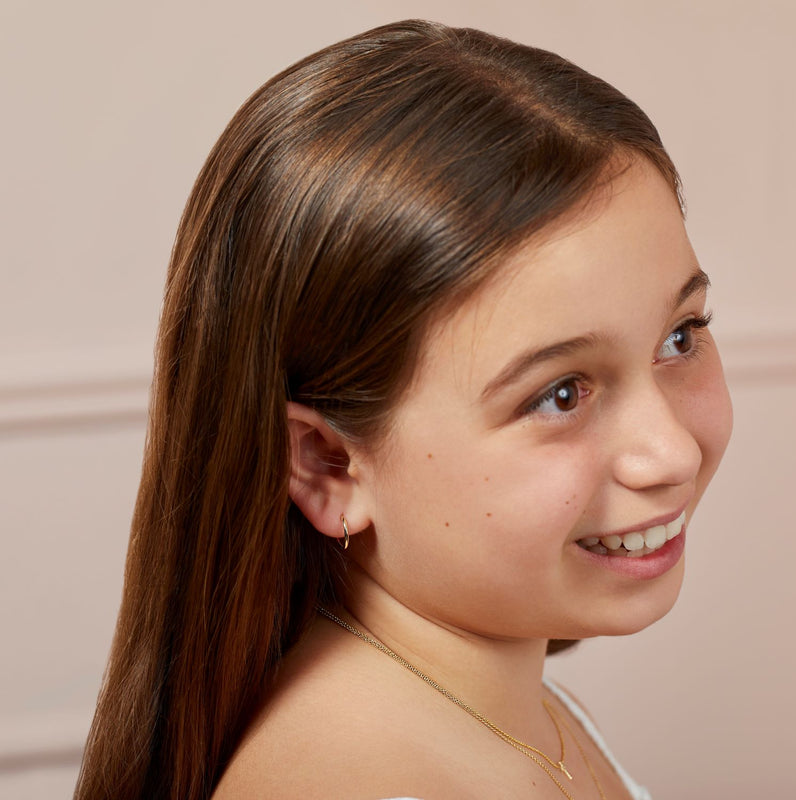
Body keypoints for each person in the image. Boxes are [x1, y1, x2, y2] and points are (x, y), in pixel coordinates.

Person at [74, 19, 732, 800]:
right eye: (560, 394)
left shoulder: (516, 707)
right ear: (328, 464)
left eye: (680, 336)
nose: (672, 452)